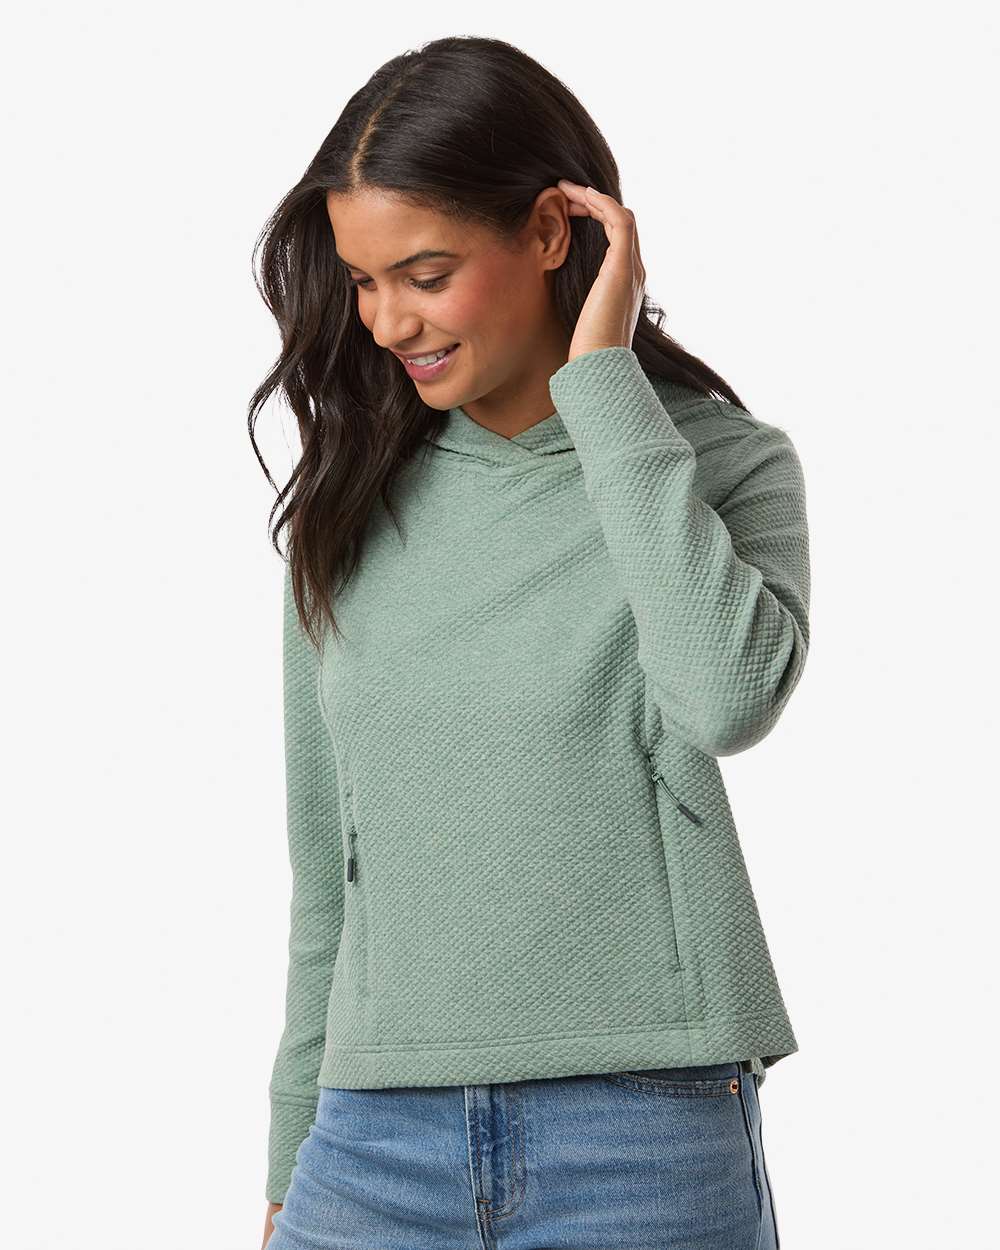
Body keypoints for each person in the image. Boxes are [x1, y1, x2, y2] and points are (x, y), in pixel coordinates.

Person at [251, 34, 809, 1250]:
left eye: (425, 273)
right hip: (371, 1138)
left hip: (642, 1128)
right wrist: (293, 1141)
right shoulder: (349, 503)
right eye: (363, 281)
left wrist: (600, 382)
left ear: (552, 232)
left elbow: (726, 696)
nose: (387, 319)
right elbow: (326, 866)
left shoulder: (719, 465)